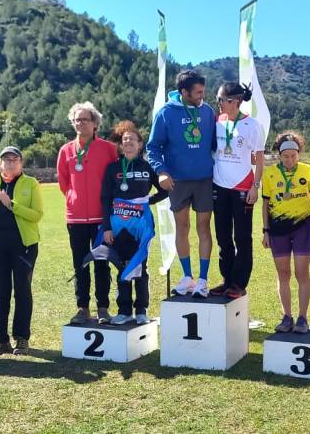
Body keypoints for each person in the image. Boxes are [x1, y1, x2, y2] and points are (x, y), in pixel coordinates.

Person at [147, 70, 217, 298]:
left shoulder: (208, 111)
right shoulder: (166, 113)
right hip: (178, 181)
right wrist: (161, 172)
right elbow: (153, 147)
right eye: (197, 92)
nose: (201, 95)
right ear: (184, 92)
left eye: (203, 91)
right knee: (182, 227)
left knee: (204, 227)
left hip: (204, 179)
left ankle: (203, 280)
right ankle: (187, 277)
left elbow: (216, 144)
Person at [0, 146, 43, 356]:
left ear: (21, 162)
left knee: (22, 290)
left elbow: (37, 215)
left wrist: (11, 204)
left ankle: (21, 338)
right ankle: (1, 340)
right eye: (7, 159)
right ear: (1, 162)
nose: (11, 163)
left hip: (24, 246)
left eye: (15, 159)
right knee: (1, 291)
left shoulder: (30, 183)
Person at [101, 121, 168, 325]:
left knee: (140, 265)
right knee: (122, 265)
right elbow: (105, 198)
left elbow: (165, 189)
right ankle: (124, 311)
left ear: (140, 144)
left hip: (141, 224)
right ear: (121, 145)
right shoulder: (112, 168)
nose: (128, 142)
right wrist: (107, 228)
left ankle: (141, 310)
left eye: (132, 139)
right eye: (125, 139)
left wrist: (148, 201)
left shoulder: (148, 167)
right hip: (119, 223)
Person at [57, 102, 118, 324]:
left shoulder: (108, 149)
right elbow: (64, 182)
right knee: (80, 264)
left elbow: (115, 178)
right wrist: (75, 199)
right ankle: (82, 308)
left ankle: (103, 308)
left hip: (102, 217)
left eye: (85, 119)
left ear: (95, 124)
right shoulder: (66, 150)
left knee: (102, 263)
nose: (80, 123)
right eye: (77, 120)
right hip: (75, 218)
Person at [209, 82, 264, 299]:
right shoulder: (217, 121)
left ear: (236, 102)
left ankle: (239, 283)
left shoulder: (252, 125)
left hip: (243, 187)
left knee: (242, 237)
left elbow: (259, 159)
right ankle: (227, 280)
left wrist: (255, 186)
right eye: (218, 99)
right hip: (219, 187)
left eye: (222, 100)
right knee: (222, 237)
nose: (219, 103)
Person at [262, 132, 310, 333]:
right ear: (279, 155)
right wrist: (265, 230)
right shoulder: (269, 173)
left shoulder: (307, 170)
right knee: (283, 273)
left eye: (293, 155)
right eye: (285, 156)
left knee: (302, 272)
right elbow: (265, 204)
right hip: (277, 229)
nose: (290, 160)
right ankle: (287, 317)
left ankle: (303, 317)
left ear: (298, 154)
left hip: (303, 228)